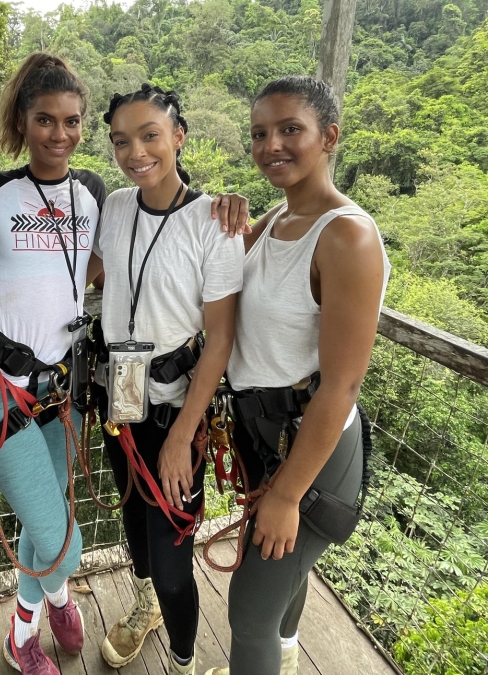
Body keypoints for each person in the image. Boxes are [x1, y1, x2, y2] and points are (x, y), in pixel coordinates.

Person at [203, 76, 390, 675]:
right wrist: (224, 219)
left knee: (249, 613)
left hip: (313, 454)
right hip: (267, 436)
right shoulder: (278, 218)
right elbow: (220, 273)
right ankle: (284, 657)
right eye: (260, 133)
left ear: (329, 137)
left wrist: (286, 494)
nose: (271, 145)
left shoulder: (347, 237)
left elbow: (341, 386)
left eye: (291, 130)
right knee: (285, 581)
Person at [89, 84, 245, 675]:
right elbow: (93, 272)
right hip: (118, 398)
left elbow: (221, 338)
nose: (136, 152)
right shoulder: (117, 207)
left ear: (178, 137)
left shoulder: (214, 222)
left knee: (176, 561)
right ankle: (145, 604)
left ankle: (183, 662)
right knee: (134, 516)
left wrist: (184, 434)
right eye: (122, 140)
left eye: (150, 135)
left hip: (175, 410)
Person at [0, 52, 104, 675]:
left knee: (45, 518)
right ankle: (62, 591)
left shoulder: (91, 190)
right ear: (23, 120)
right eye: (45, 120)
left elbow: (101, 258)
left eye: (72, 121)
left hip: (61, 388)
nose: (60, 135)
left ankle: (25, 634)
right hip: (3, 392)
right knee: (63, 546)